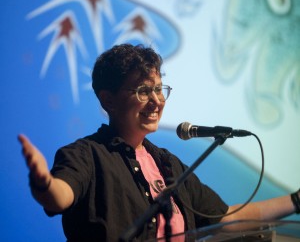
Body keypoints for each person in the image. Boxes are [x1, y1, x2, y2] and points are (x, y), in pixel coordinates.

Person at [19, 43, 300, 242]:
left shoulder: (168, 165)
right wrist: (43, 182)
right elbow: (59, 197)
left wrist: (296, 201)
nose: (156, 100)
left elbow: (226, 217)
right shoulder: (86, 155)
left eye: (158, 89)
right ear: (108, 100)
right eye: (143, 91)